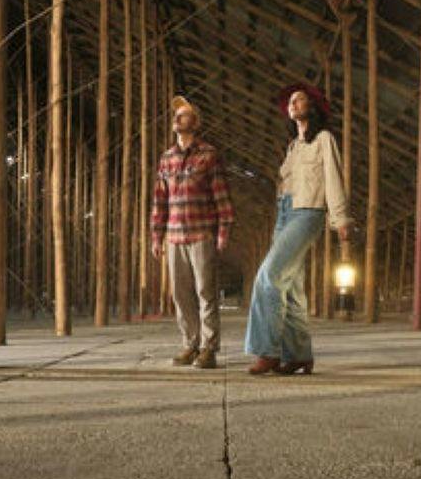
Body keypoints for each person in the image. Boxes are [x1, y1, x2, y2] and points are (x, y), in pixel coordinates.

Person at [243, 84, 352, 376]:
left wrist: (340, 219)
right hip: (284, 212)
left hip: (308, 211)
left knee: (268, 276)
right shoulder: (293, 146)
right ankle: (300, 355)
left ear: (312, 107)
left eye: (299, 99)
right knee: (290, 288)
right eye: (290, 102)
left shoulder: (324, 139)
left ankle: (267, 351)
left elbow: (333, 177)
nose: (293, 104)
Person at [150, 95, 235, 369]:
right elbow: (159, 200)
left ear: (195, 123)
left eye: (183, 115)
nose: (177, 119)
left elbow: (221, 197)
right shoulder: (166, 159)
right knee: (180, 294)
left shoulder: (209, 155)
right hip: (174, 236)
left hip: (201, 234)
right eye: (176, 116)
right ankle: (190, 344)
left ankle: (209, 348)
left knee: (206, 292)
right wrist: (156, 236)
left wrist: (223, 231)